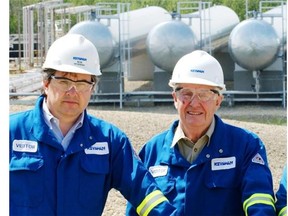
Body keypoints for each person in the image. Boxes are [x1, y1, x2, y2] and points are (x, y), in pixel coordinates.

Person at [9, 33, 178, 216]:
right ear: (46, 83)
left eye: (82, 83)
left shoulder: (110, 141)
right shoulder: (11, 132)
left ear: (92, 88)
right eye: (64, 81)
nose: (73, 92)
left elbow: (144, 193)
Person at [126, 50, 276, 215]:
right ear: (175, 98)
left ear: (218, 100)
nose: (194, 103)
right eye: (186, 93)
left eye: (204, 94)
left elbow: (260, 206)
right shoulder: (152, 151)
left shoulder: (246, 146)